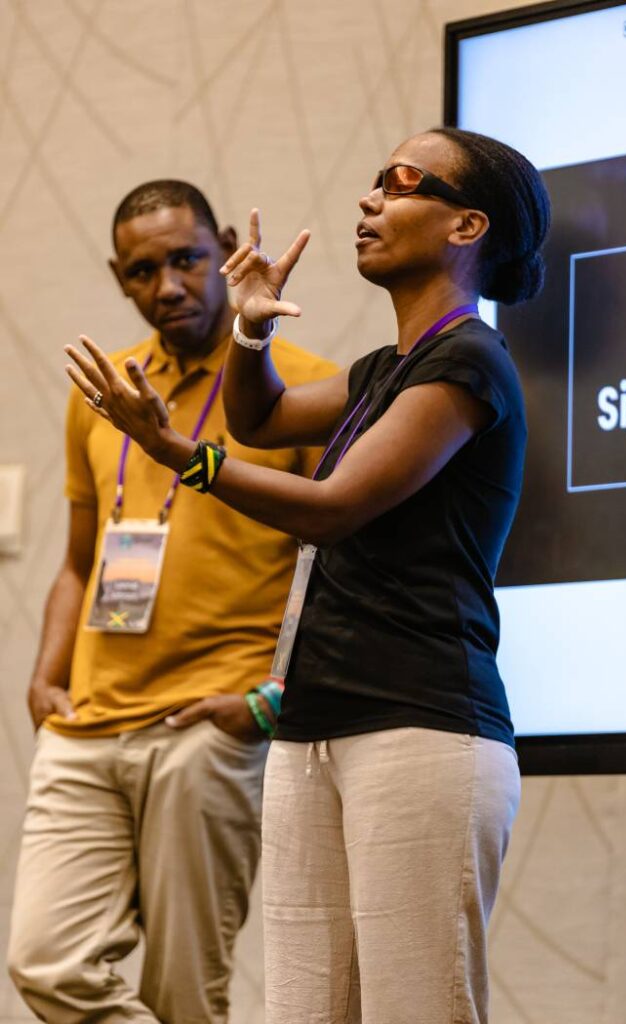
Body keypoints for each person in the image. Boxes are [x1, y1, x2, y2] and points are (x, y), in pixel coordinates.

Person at [62, 128, 551, 1024]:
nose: (369, 199)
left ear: (466, 225)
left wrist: (181, 455)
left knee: (415, 1009)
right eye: (373, 181)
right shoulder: (383, 371)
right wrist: (249, 327)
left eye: (400, 182)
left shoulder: (469, 361)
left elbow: (332, 506)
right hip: (313, 726)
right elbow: (262, 420)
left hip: (421, 726)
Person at [8, 180, 336, 1024]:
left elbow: (339, 566)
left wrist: (267, 702)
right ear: (119, 278)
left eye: (186, 259)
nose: (168, 287)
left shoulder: (304, 390)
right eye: (142, 271)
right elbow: (79, 560)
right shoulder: (104, 391)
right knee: (45, 963)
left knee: (186, 994)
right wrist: (46, 680)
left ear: (223, 248)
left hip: (206, 725)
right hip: (87, 724)